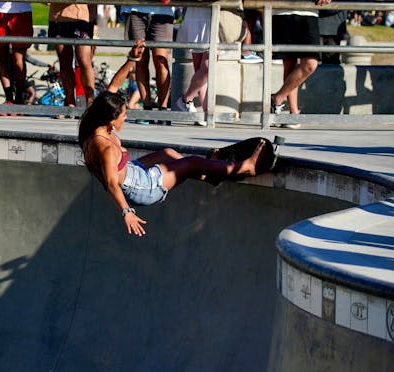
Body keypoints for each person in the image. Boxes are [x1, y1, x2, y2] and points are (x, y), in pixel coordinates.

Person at [78, 40, 270, 237]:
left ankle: (210, 174)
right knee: (193, 162)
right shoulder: (106, 148)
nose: (126, 118)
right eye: (123, 116)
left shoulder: (96, 116)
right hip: (142, 188)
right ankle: (246, 167)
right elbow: (111, 182)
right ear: (110, 119)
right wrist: (127, 212)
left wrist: (132, 58)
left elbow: (115, 84)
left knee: (168, 154)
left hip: (132, 171)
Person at [270, 0, 333, 129]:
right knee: (289, 63)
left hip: (309, 12)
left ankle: (277, 98)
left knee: (310, 64)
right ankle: (293, 113)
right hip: (282, 11)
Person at [123, 5, 175, 114]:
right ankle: (147, 108)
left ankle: (163, 109)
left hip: (163, 10)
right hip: (135, 9)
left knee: (161, 61)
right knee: (140, 60)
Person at [48, 3, 96, 110]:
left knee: (84, 60)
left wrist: (94, 22)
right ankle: (69, 101)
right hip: (57, 18)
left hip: (83, 18)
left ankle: (90, 101)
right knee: (64, 61)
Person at [0, 2, 33, 107]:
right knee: (2, 59)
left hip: (21, 11)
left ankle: (19, 97)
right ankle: (9, 98)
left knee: (18, 61)